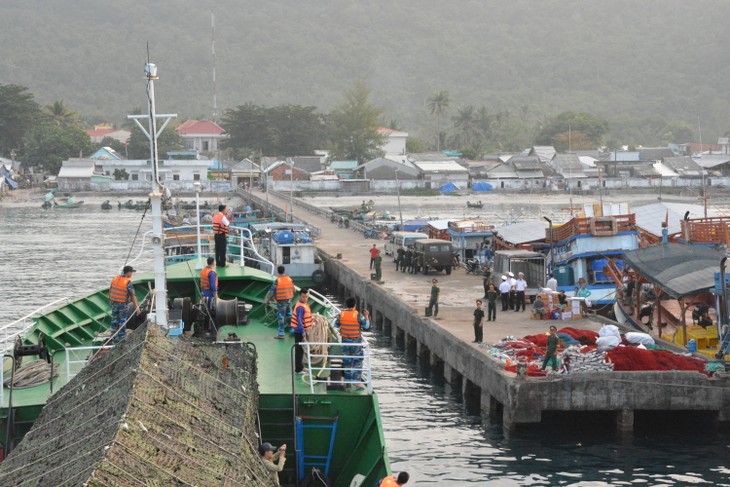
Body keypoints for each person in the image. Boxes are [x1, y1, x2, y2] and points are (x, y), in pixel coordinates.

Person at [334, 297, 371, 385]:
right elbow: (366, 326)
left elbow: (335, 325)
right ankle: (356, 381)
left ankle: (347, 381)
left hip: (345, 342)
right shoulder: (358, 315)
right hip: (356, 343)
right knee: (357, 361)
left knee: (347, 361)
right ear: (355, 305)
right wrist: (366, 316)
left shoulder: (341, 315)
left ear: (347, 305)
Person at [109, 265, 140, 340]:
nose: (132, 274)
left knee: (115, 318)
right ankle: (121, 336)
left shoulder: (115, 278)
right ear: (128, 273)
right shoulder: (127, 282)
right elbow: (133, 296)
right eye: (131, 272)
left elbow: (110, 289)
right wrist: (137, 308)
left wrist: (110, 300)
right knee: (122, 319)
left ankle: (113, 334)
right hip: (122, 303)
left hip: (114, 302)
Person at [266, 265, 295, 339]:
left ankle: (281, 334)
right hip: (289, 300)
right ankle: (291, 330)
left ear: (277, 272)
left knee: (281, 317)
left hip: (281, 302)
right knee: (289, 315)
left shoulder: (277, 281)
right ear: (284, 271)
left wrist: (268, 300)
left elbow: (272, 292)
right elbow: (294, 290)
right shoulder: (289, 279)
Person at [291, 288, 312, 374]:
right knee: (299, 350)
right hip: (299, 331)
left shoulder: (304, 304)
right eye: (303, 297)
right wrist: (303, 331)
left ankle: (301, 366)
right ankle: (298, 369)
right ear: (300, 296)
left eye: (306, 297)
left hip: (302, 330)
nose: (305, 298)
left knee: (301, 350)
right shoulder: (300, 307)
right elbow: (299, 320)